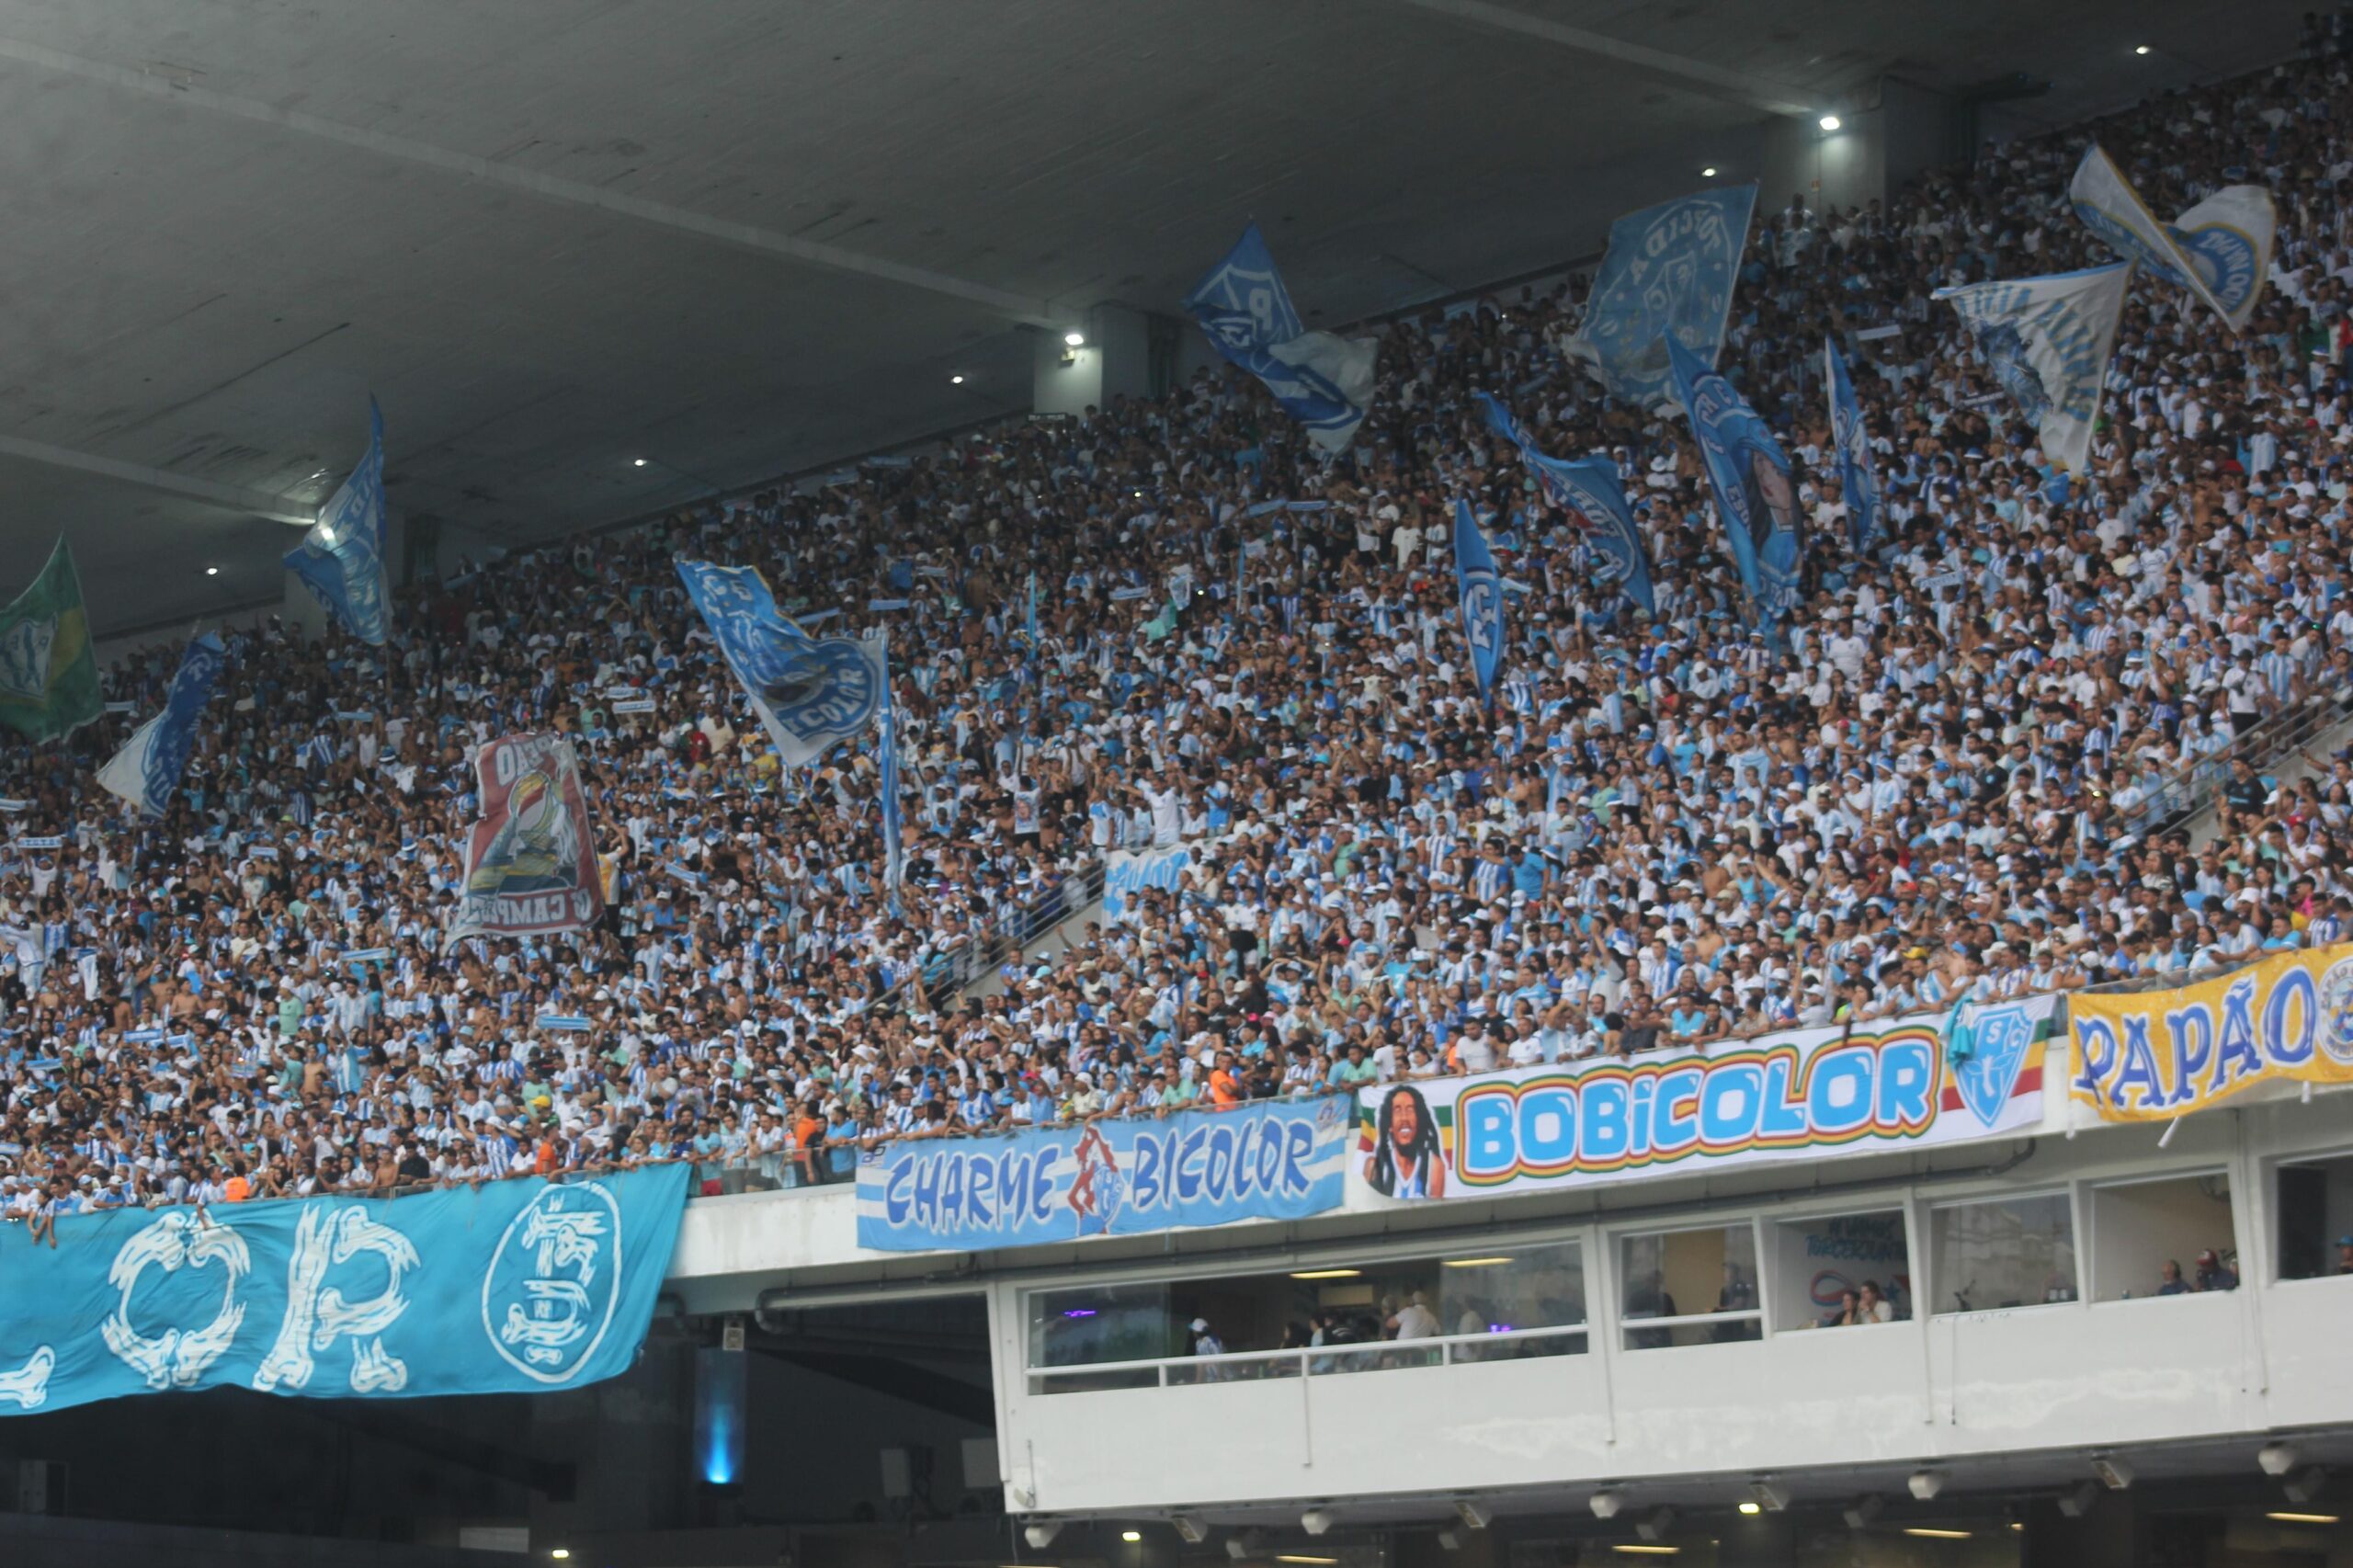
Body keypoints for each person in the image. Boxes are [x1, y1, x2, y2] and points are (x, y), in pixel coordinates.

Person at [1362, 1084, 1446, 1199]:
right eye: (1397, 1110)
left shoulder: (1433, 1166)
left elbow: (1436, 1212)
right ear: (1389, 1124)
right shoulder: (1375, 1166)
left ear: (1419, 1120)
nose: (1404, 1117)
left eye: (1410, 1109)